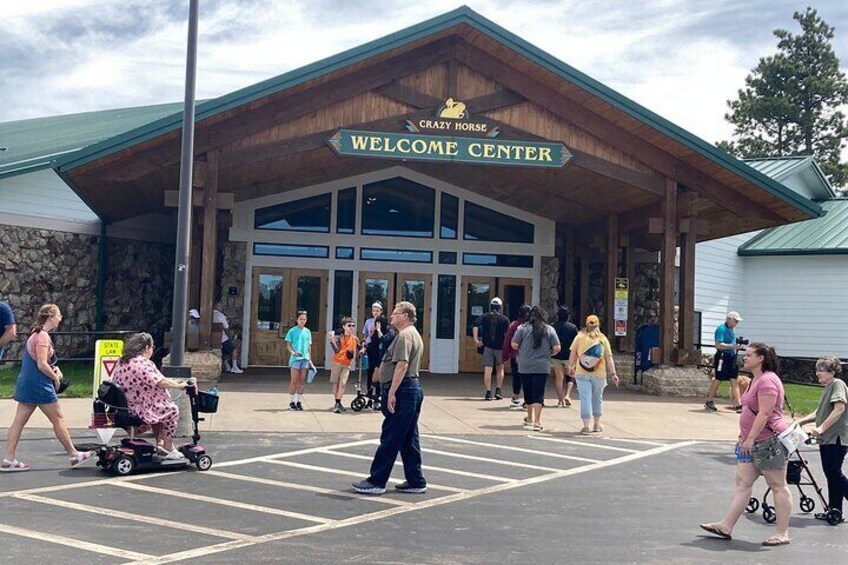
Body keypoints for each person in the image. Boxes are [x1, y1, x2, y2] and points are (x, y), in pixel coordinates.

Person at [700, 342, 792, 546]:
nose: (745, 358)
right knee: (743, 483)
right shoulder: (754, 380)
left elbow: (765, 413)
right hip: (752, 442)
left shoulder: (768, 381)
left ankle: (782, 532)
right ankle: (726, 525)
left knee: (778, 486)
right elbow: (751, 412)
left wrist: (749, 438)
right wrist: (743, 437)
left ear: (761, 359)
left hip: (769, 441)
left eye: (749, 355)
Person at [1, 304, 95, 472]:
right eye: (59, 315)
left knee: (18, 422)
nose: (61, 318)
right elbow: (42, 364)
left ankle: (9, 458)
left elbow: (41, 361)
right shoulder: (43, 337)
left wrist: (53, 369)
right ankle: (73, 454)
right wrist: (56, 379)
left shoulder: (35, 334)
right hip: (39, 384)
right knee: (58, 419)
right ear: (51, 316)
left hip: (27, 383)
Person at [353, 301, 426, 495]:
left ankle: (377, 481)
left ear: (406, 316)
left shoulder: (405, 335)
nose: (391, 317)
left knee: (391, 436)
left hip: (404, 390)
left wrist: (392, 392)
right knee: (408, 438)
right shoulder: (412, 334)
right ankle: (416, 481)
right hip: (411, 389)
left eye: (395, 313)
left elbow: (402, 365)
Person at [110, 332, 188, 459]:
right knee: (172, 410)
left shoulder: (123, 361)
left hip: (128, 404)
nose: (152, 349)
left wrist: (173, 382)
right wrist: (178, 386)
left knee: (162, 410)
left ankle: (160, 444)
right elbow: (159, 381)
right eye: (152, 347)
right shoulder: (142, 363)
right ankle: (168, 445)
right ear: (147, 348)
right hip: (141, 407)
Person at [798, 357, 848, 522]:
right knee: (831, 474)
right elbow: (818, 412)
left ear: (832, 372)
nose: (817, 373)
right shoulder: (828, 388)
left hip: (837, 438)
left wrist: (821, 428)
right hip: (828, 439)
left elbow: (839, 408)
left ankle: (835, 508)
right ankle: (835, 511)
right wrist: (800, 422)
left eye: (821, 370)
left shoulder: (837, 384)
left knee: (834, 473)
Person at [567, 314, 619, 434]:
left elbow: (573, 354)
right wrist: (613, 374)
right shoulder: (603, 339)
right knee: (597, 398)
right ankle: (596, 424)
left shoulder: (579, 337)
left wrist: (571, 366)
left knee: (585, 398)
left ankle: (586, 426)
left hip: (581, 372)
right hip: (599, 373)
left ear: (586, 324)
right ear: (598, 325)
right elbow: (609, 358)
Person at [512, 306, 560, 432]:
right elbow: (557, 347)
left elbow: (514, 344)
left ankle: (529, 417)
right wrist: (549, 353)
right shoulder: (549, 329)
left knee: (528, 391)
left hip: (525, 364)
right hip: (542, 365)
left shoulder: (522, 328)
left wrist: (523, 350)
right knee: (538, 393)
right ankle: (537, 422)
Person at [705, 312, 745, 413]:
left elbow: (731, 341)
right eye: (735, 321)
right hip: (723, 357)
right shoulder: (721, 329)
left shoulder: (731, 329)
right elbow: (718, 345)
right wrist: (733, 346)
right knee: (718, 378)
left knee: (734, 379)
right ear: (729, 319)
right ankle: (709, 400)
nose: (736, 323)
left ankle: (738, 404)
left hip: (732, 357)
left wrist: (737, 344)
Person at [473, 297, 510, 401]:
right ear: (500, 307)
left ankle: (488, 392)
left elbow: (475, 324)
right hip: (500, 347)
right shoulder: (504, 319)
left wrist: (476, 340)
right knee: (500, 369)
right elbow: (508, 334)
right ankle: (498, 390)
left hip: (488, 347)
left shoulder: (484, 316)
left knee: (488, 370)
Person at [328, 317, 359, 413]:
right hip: (337, 362)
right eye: (349, 326)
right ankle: (337, 402)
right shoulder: (340, 338)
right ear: (344, 327)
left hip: (347, 364)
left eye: (353, 326)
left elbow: (361, 347)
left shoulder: (355, 339)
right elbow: (336, 350)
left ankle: (338, 402)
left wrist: (362, 349)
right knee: (335, 383)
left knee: (343, 383)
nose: (351, 328)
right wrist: (332, 339)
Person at [503, 304, 531, 410]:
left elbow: (507, 341)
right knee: (527, 378)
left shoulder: (514, 325)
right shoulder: (533, 326)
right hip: (529, 356)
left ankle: (516, 396)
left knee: (516, 376)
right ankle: (527, 400)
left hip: (516, 355)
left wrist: (505, 356)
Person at [551, 306, 578, 408]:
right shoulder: (572, 327)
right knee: (571, 376)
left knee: (559, 378)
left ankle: (560, 400)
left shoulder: (553, 326)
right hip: (569, 356)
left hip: (556, 355)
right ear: (568, 316)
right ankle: (567, 395)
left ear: (557, 316)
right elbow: (576, 342)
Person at [285, 310, 312, 411]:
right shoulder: (292, 331)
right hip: (295, 359)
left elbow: (309, 346)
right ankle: (292, 401)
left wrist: (310, 359)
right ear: (297, 319)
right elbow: (288, 344)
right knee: (294, 380)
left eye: (304, 319)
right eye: (300, 319)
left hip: (305, 358)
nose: (302, 321)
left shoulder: (307, 331)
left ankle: (299, 401)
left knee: (302, 381)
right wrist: (292, 352)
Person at [362, 303, 387, 400]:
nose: (375, 313)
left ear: (381, 311)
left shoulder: (382, 321)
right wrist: (364, 344)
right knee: (370, 371)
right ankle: (369, 395)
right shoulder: (368, 321)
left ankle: (377, 395)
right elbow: (365, 335)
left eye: (377, 311)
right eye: (373, 311)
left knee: (378, 372)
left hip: (379, 348)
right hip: (370, 347)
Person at [213, 302, 243, 374]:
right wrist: (229, 336)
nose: (222, 308)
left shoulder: (209, 314)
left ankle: (227, 366)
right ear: (217, 306)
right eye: (221, 306)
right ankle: (234, 367)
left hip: (212, 338)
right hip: (222, 338)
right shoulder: (220, 315)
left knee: (225, 350)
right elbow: (226, 327)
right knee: (233, 349)